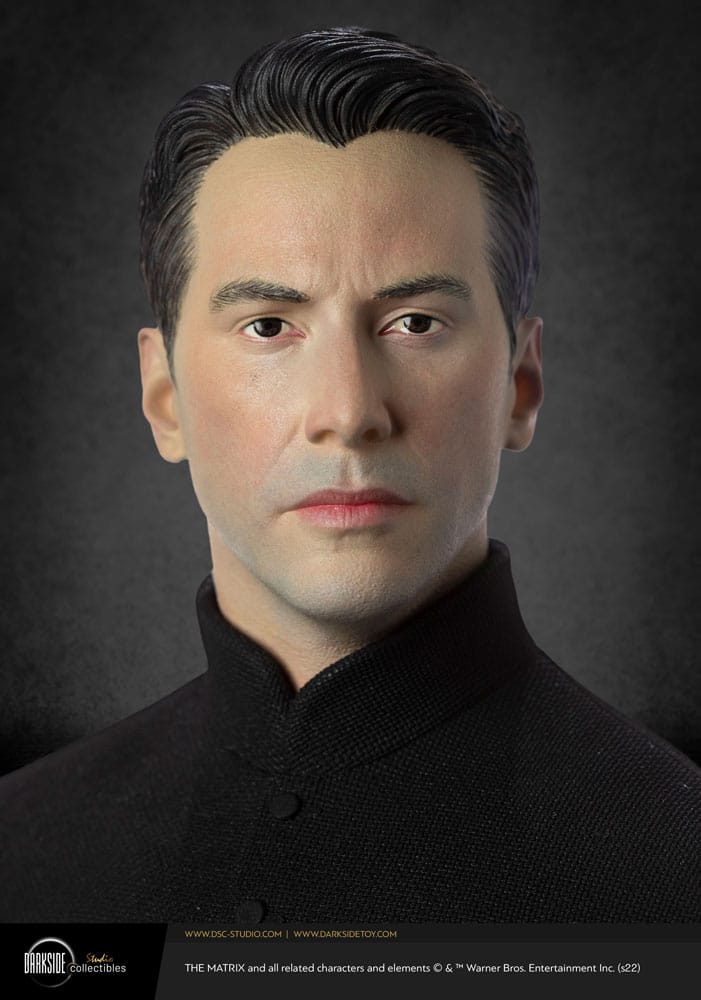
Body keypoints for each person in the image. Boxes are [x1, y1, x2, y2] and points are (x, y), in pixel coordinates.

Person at [1, 26, 699, 924]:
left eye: (415, 323)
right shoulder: (20, 854)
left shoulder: (676, 872)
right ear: (164, 397)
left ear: (520, 386)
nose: (349, 409)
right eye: (268, 325)